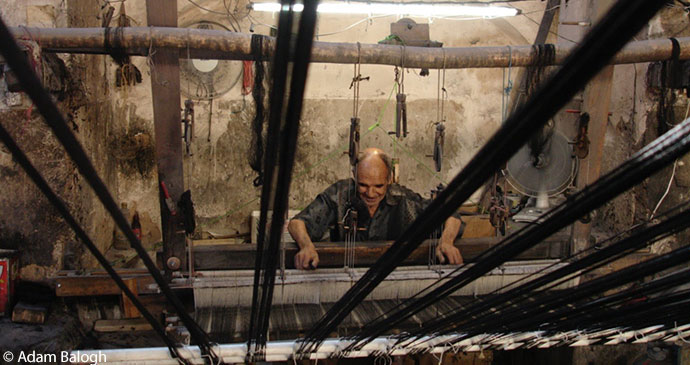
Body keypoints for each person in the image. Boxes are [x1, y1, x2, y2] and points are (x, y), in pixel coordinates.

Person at [288, 148, 464, 269]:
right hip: (343, 277)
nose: (370, 193)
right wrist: (306, 246)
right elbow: (297, 223)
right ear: (354, 177)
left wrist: (447, 241)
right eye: (363, 185)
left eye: (379, 186)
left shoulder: (403, 199)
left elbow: (450, 214)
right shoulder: (340, 194)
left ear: (389, 179)